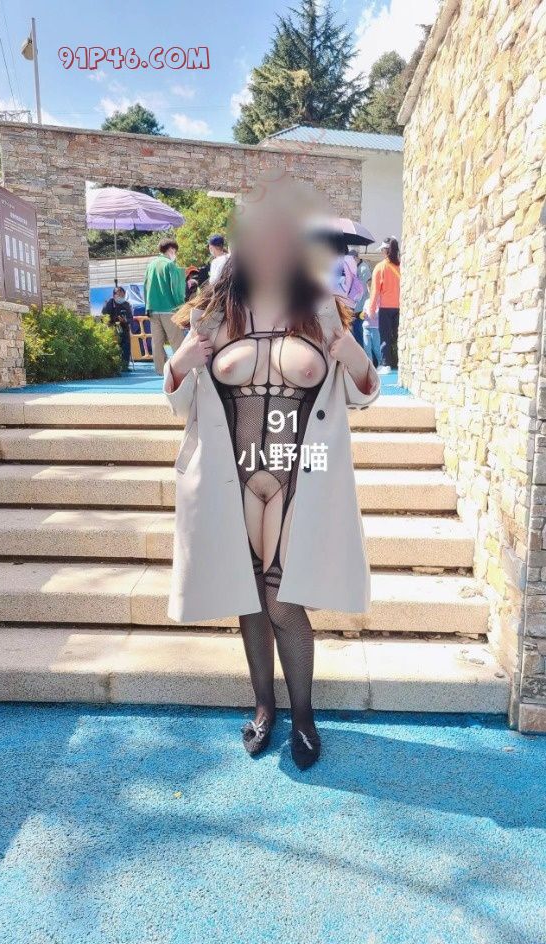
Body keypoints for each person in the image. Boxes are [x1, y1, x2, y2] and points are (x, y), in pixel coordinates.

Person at [163, 181, 381, 770]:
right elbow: (179, 397)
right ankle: (265, 706)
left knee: (283, 601)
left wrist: (345, 348)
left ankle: (303, 714)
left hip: (300, 474)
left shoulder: (319, 311)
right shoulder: (215, 314)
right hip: (232, 474)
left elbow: (363, 392)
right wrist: (181, 362)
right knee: (249, 596)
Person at [143, 239, 186, 375]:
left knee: (157, 343)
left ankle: (161, 370)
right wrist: (181, 306)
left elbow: (145, 286)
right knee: (177, 342)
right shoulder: (170, 265)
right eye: (175, 251)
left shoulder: (151, 265)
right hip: (170, 310)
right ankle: (181, 370)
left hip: (153, 309)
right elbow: (176, 289)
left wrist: (147, 307)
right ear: (171, 249)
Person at [368, 236, 401, 374]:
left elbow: (375, 290)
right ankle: (402, 362)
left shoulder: (380, 267)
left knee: (385, 337)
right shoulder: (401, 266)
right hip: (400, 307)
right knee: (399, 336)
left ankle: (386, 365)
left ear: (386, 250)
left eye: (382, 250)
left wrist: (371, 309)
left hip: (386, 308)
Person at [101, 285, 133, 371]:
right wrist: (112, 321)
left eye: (122, 295)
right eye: (119, 295)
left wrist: (124, 320)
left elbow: (130, 319)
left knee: (126, 344)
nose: (121, 297)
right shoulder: (109, 303)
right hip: (112, 327)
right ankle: (113, 365)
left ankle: (125, 366)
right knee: (113, 344)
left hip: (123, 328)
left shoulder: (126, 304)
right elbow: (104, 317)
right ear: (114, 295)